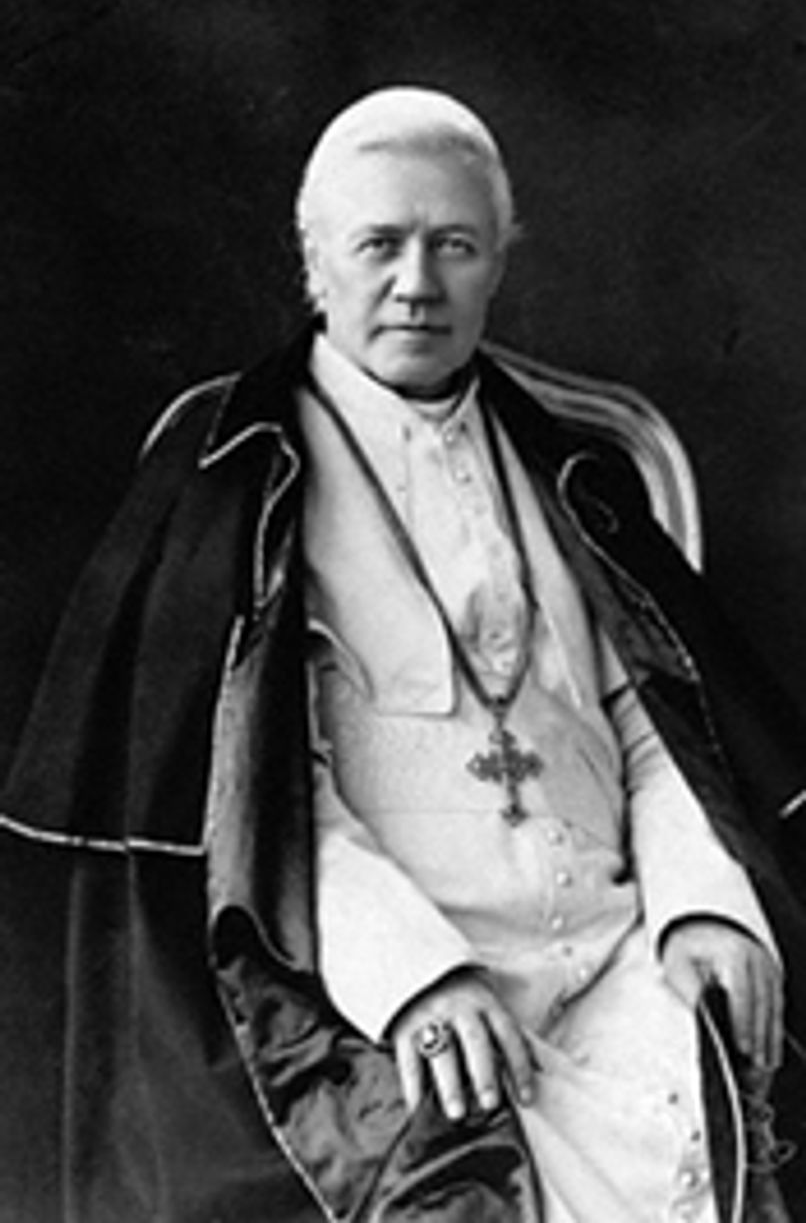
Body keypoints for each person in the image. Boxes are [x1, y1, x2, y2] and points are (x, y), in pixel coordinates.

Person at [1, 86, 806, 1223]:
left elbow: (654, 723)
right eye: (379, 245)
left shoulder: (570, 469)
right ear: (315, 263)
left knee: (719, 1110)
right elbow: (266, 801)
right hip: (373, 979)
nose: (418, 284)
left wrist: (700, 906)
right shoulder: (237, 485)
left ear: (498, 262)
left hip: (622, 961)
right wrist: (415, 976)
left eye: (455, 246)